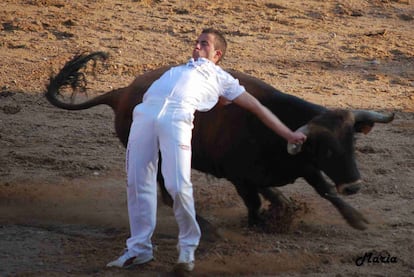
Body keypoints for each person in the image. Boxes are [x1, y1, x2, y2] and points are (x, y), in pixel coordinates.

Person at [107, 28, 306, 272]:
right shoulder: (176, 70)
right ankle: (138, 250)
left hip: (176, 120)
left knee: (178, 186)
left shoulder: (223, 79)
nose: (197, 47)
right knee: (138, 183)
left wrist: (288, 134)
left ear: (217, 54)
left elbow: (257, 108)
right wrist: (218, 99)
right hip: (143, 117)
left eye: (204, 44)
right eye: (196, 42)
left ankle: (187, 251)